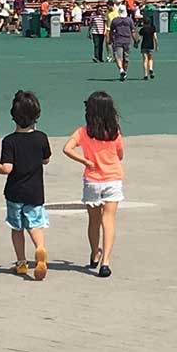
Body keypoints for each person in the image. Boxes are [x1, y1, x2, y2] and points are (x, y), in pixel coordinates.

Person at [65, 90, 125, 278]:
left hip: (93, 180)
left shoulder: (83, 132)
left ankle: (94, 253)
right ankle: (105, 262)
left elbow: (67, 148)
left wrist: (85, 161)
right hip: (113, 178)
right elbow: (120, 154)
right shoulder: (114, 132)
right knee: (109, 220)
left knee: (94, 220)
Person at [0, 90, 51, 280]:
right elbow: (46, 159)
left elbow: (7, 168)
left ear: (13, 116)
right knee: (35, 225)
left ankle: (21, 262)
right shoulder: (41, 138)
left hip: (15, 192)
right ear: (37, 115)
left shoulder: (10, 141)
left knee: (17, 228)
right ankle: (40, 249)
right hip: (35, 191)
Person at [108, 7, 137, 82]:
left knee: (118, 57)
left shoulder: (115, 20)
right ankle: (125, 72)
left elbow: (111, 31)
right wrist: (135, 40)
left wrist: (110, 39)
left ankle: (121, 70)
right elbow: (133, 31)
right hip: (127, 41)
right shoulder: (129, 20)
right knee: (126, 58)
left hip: (118, 40)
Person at [135, 6, 157, 81]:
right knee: (150, 58)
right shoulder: (152, 28)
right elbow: (155, 37)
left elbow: (140, 38)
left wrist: (136, 44)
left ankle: (145, 74)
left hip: (144, 45)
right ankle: (150, 68)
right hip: (151, 45)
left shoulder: (142, 30)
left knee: (145, 60)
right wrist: (156, 45)